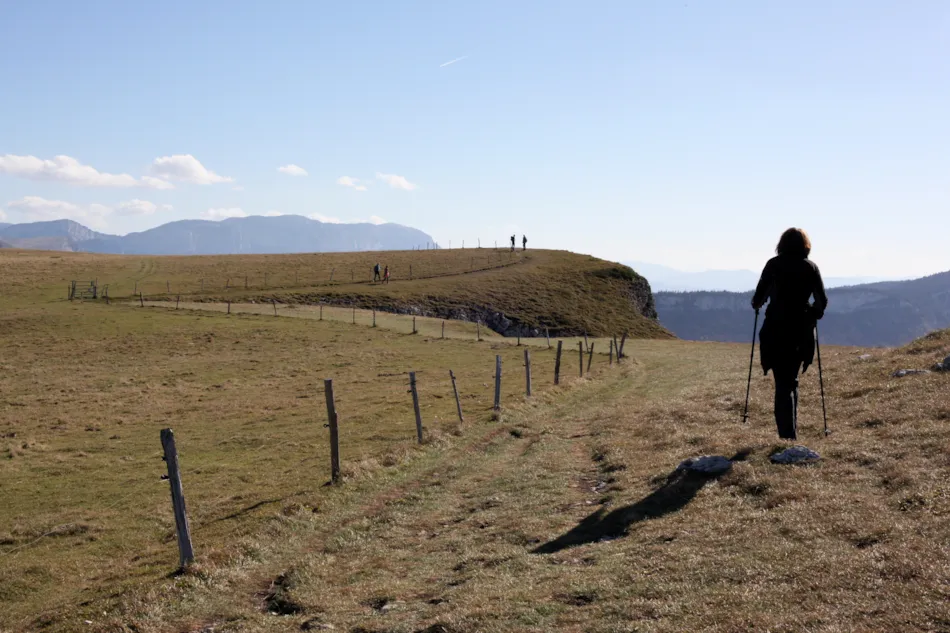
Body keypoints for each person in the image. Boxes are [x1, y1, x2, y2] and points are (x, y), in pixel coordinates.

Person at [751, 228, 828, 441]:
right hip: (800, 331)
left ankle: (787, 436)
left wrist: (758, 304)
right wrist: (813, 313)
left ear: (781, 244)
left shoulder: (773, 265)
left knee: (782, 383)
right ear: (805, 245)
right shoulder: (810, 267)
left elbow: (759, 298)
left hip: (775, 329)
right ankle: (790, 434)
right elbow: (822, 301)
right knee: (791, 380)